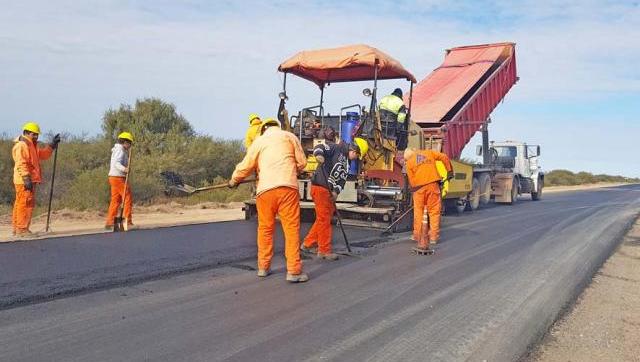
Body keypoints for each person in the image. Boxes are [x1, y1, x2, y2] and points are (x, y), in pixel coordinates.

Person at [229, 118, 309, 283]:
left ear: (263, 129)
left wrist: (234, 180)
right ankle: (293, 271)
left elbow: (246, 165)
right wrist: (296, 169)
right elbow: (302, 163)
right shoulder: (289, 137)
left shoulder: (259, 141)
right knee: (291, 229)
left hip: (265, 190)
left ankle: (263, 267)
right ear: (277, 127)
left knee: (265, 228)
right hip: (287, 188)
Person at [301, 128, 366, 260]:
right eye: (357, 155)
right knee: (324, 219)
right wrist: (319, 155)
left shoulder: (346, 163)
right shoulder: (337, 148)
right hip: (320, 186)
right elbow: (320, 146)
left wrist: (336, 191)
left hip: (329, 191)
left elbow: (341, 180)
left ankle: (308, 243)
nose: (356, 159)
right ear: (354, 150)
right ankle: (324, 250)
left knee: (323, 217)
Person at [12, 122, 60, 236]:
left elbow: (43, 155)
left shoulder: (32, 145)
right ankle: (21, 229)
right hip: (24, 180)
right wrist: (26, 178)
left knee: (21, 203)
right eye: (34, 134)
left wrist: (52, 145)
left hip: (29, 180)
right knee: (25, 204)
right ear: (26, 133)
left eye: (37, 135)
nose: (36, 137)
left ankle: (18, 228)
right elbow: (21, 163)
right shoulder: (22, 145)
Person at [404, 147, 453, 252]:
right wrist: (449, 171)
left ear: (408, 157)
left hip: (419, 190)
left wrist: (413, 190)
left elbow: (412, 182)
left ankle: (417, 236)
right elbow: (444, 157)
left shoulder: (409, 163)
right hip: (433, 186)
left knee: (419, 212)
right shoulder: (429, 153)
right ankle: (433, 238)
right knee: (434, 212)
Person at [105, 132, 134, 230]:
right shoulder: (120, 151)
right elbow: (116, 163)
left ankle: (110, 222)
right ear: (125, 142)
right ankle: (127, 222)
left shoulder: (118, 150)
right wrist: (124, 169)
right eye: (130, 143)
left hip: (114, 177)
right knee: (127, 197)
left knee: (116, 200)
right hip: (118, 177)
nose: (130, 145)